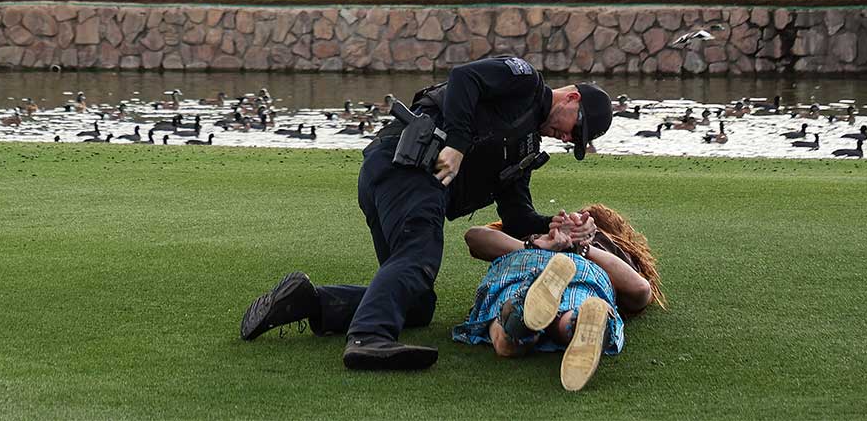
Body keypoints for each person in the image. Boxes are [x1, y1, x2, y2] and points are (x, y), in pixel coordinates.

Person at [239, 56, 614, 371]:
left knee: (416, 302)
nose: (567, 139)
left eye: (575, 142)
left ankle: (311, 301)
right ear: (572, 97)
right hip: (406, 169)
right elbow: (464, 77)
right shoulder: (526, 80)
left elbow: (516, 217)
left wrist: (552, 227)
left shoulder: (527, 149)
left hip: (400, 182)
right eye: (574, 128)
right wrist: (457, 145)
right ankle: (369, 338)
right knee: (418, 258)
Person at [453, 204, 664, 391]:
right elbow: (640, 291)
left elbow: (474, 237)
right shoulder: (607, 249)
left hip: (522, 266)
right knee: (575, 308)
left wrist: (566, 245)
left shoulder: (600, 240)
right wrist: (554, 243)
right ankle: (577, 322)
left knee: (504, 327)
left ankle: (519, 313)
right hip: (584, 276)